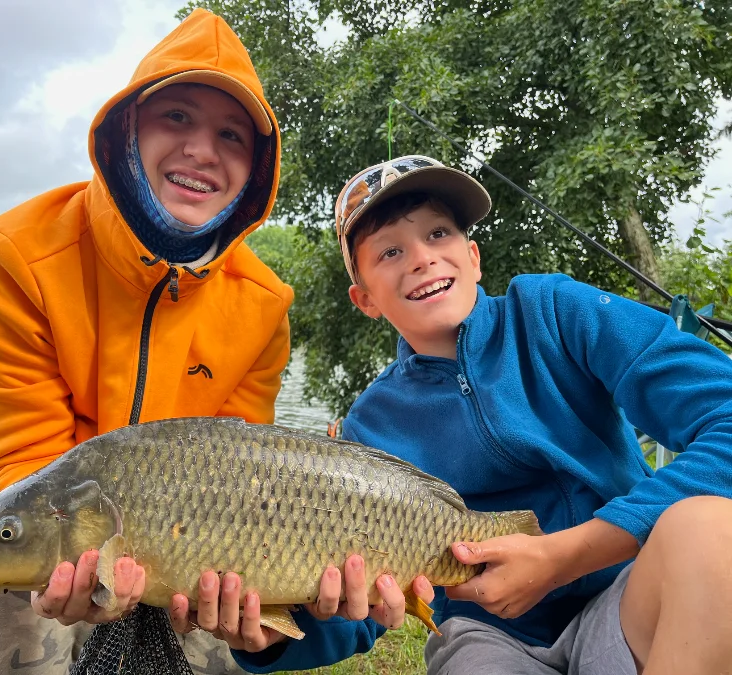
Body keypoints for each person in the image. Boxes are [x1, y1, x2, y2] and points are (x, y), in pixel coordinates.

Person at [223, 154, 732, 674]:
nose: (421, 258)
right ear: (365, 299)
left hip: (629, 596)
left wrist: (567, 556)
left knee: (713, 529)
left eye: (438, 234)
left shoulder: (555, 311)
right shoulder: (368, 429)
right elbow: (356, 613)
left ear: (473, 256)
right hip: (486, 635)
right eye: (391, 251)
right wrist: (276, 635)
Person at [0, 9, 296, 675]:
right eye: (176, 117)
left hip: (185, 522)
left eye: (231, 134)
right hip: (13, 513)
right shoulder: (6, 260)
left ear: (255, 169)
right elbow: (27, 479)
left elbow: (237, 474)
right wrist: (70, 562)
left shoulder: (265, 305)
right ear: (127, 130)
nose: (203, 149)